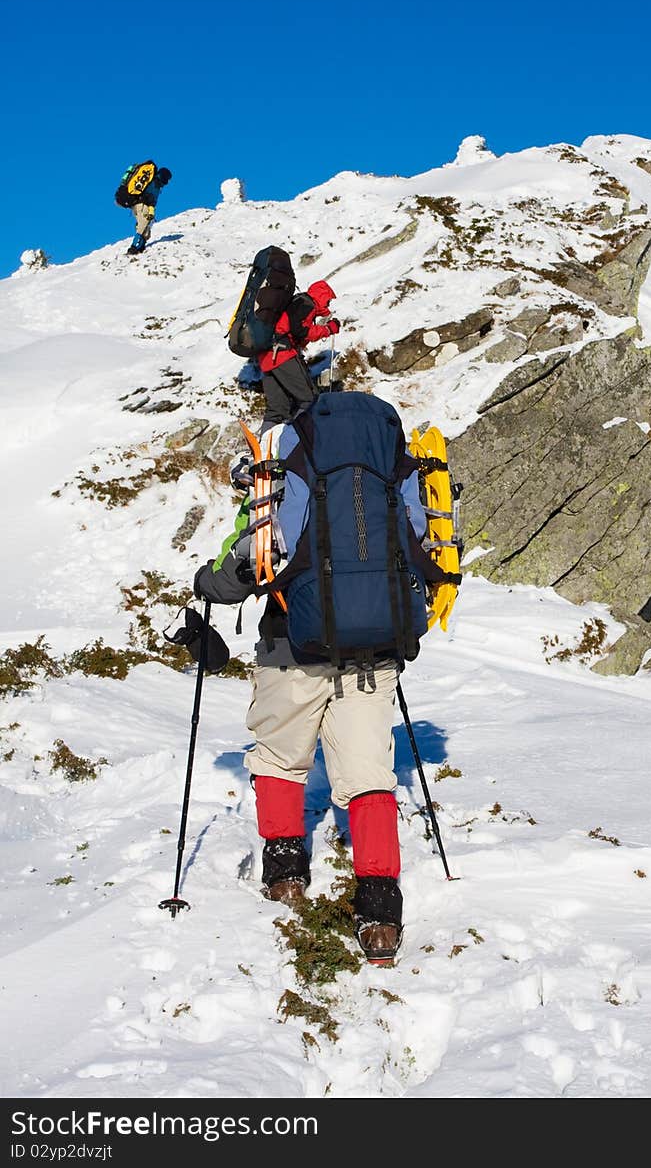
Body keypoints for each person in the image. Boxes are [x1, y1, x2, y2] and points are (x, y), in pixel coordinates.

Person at [194, 389, 445, 962]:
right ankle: (380, 909)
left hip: (291, 644)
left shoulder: (283, 473)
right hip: (373, 650)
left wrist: (208, 584)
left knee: (281, 756)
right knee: (367, 769)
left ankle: (285, 869)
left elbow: (249, 561)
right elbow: (424, 549)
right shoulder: (396, 472)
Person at [258, 279, 339, 426]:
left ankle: (265, 442)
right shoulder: (306, 304)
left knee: (276, 409)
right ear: (322, 296)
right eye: (328, 300)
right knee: (309, 399)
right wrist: (328, 329)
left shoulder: (297, 302)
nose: (328, 304)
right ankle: (302, 437)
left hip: (267, 357)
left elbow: (293, 329)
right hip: (283, 355)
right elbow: (301, 331)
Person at [114, 161, 172, 255]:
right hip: (141, 204)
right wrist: (151, 210)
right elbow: (152, 200)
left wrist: (151, 211)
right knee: (143, 223)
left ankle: (140, 246)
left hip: (136, 205)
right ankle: (133, 247)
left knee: (144, 225)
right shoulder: (155, 184)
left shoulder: (154, 182)